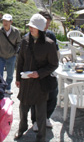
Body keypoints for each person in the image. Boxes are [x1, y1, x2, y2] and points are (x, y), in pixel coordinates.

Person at [15, 14, 59, 142]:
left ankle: (41, 137)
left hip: (40, 83)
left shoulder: (49, 44)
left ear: (40, 28)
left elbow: (54, 64)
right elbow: (20, 60)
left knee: (41, 113)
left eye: (33, 26)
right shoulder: (25, 41)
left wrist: (39, 73)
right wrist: (18, 78)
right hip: (26, 82)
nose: (30, 28)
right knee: (23, 110)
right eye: (30, 26)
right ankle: (21, 130)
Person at [31, 11, 59, 131]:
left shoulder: (51, 35)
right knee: (35, 98)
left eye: (48, 23)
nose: (47, 25)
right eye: (45, 23)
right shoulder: (31, 35)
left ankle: (47, 117)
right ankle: (35, 121)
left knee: (53, 95)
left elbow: (56, 51)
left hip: (49, 71)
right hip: (35, 72)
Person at [0, 14, 21, 95]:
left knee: (10, 74)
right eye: (4, 21)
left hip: (11, 56)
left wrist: (15, 52)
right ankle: (0, 88)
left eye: (7, 21)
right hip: (0, 55)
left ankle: (8, 87)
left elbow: (19, 43)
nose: (5, 23)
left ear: (11, 22)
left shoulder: (16, 31)